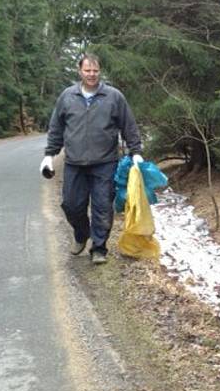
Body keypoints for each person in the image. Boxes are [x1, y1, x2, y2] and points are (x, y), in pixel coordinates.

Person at [40, 53, 144, 264]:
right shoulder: (67, 96)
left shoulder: (114, 97)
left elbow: (128, 125)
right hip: (74, 164)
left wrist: (136, 152)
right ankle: (81, 234)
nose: (91, 74)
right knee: (71, 205)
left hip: (105, 163)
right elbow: (56, 128)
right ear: (80, 71)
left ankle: (99, 248)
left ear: (100, 71)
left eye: (95, 70)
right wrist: (49, 155)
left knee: (102, 208)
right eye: (87, 70)